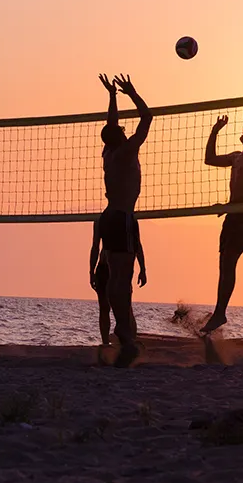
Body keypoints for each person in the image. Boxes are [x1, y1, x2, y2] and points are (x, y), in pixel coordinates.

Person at [195, 117, 243, 334]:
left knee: (229, 262)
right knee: (224, 265)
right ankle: (219, 312)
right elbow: (209, 159)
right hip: (233, 214)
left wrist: (228, 206)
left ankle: (220, 313)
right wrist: (214, 131)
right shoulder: (237, 157)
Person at [98, 73, 152, 367]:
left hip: (110, 217)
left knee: (117, 279)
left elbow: (110, 126)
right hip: (122, 218)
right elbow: (147, 118)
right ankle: (123, 329)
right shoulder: (125, 151)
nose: (122, 128)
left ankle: (124, 328)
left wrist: (112, 96)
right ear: (121, 137)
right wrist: (132, 91)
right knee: (122, 280)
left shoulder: (108, 151)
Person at [89, 214, 146, 346]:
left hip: (120, 268)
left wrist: (143, 269)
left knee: (126, 308)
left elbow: (138, 245)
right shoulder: (101, 220)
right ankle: (105, 344)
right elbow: (95, 246)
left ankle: (130, 344)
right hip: (104, 268)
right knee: (104, 308)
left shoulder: (130, 219)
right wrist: (91, 271)